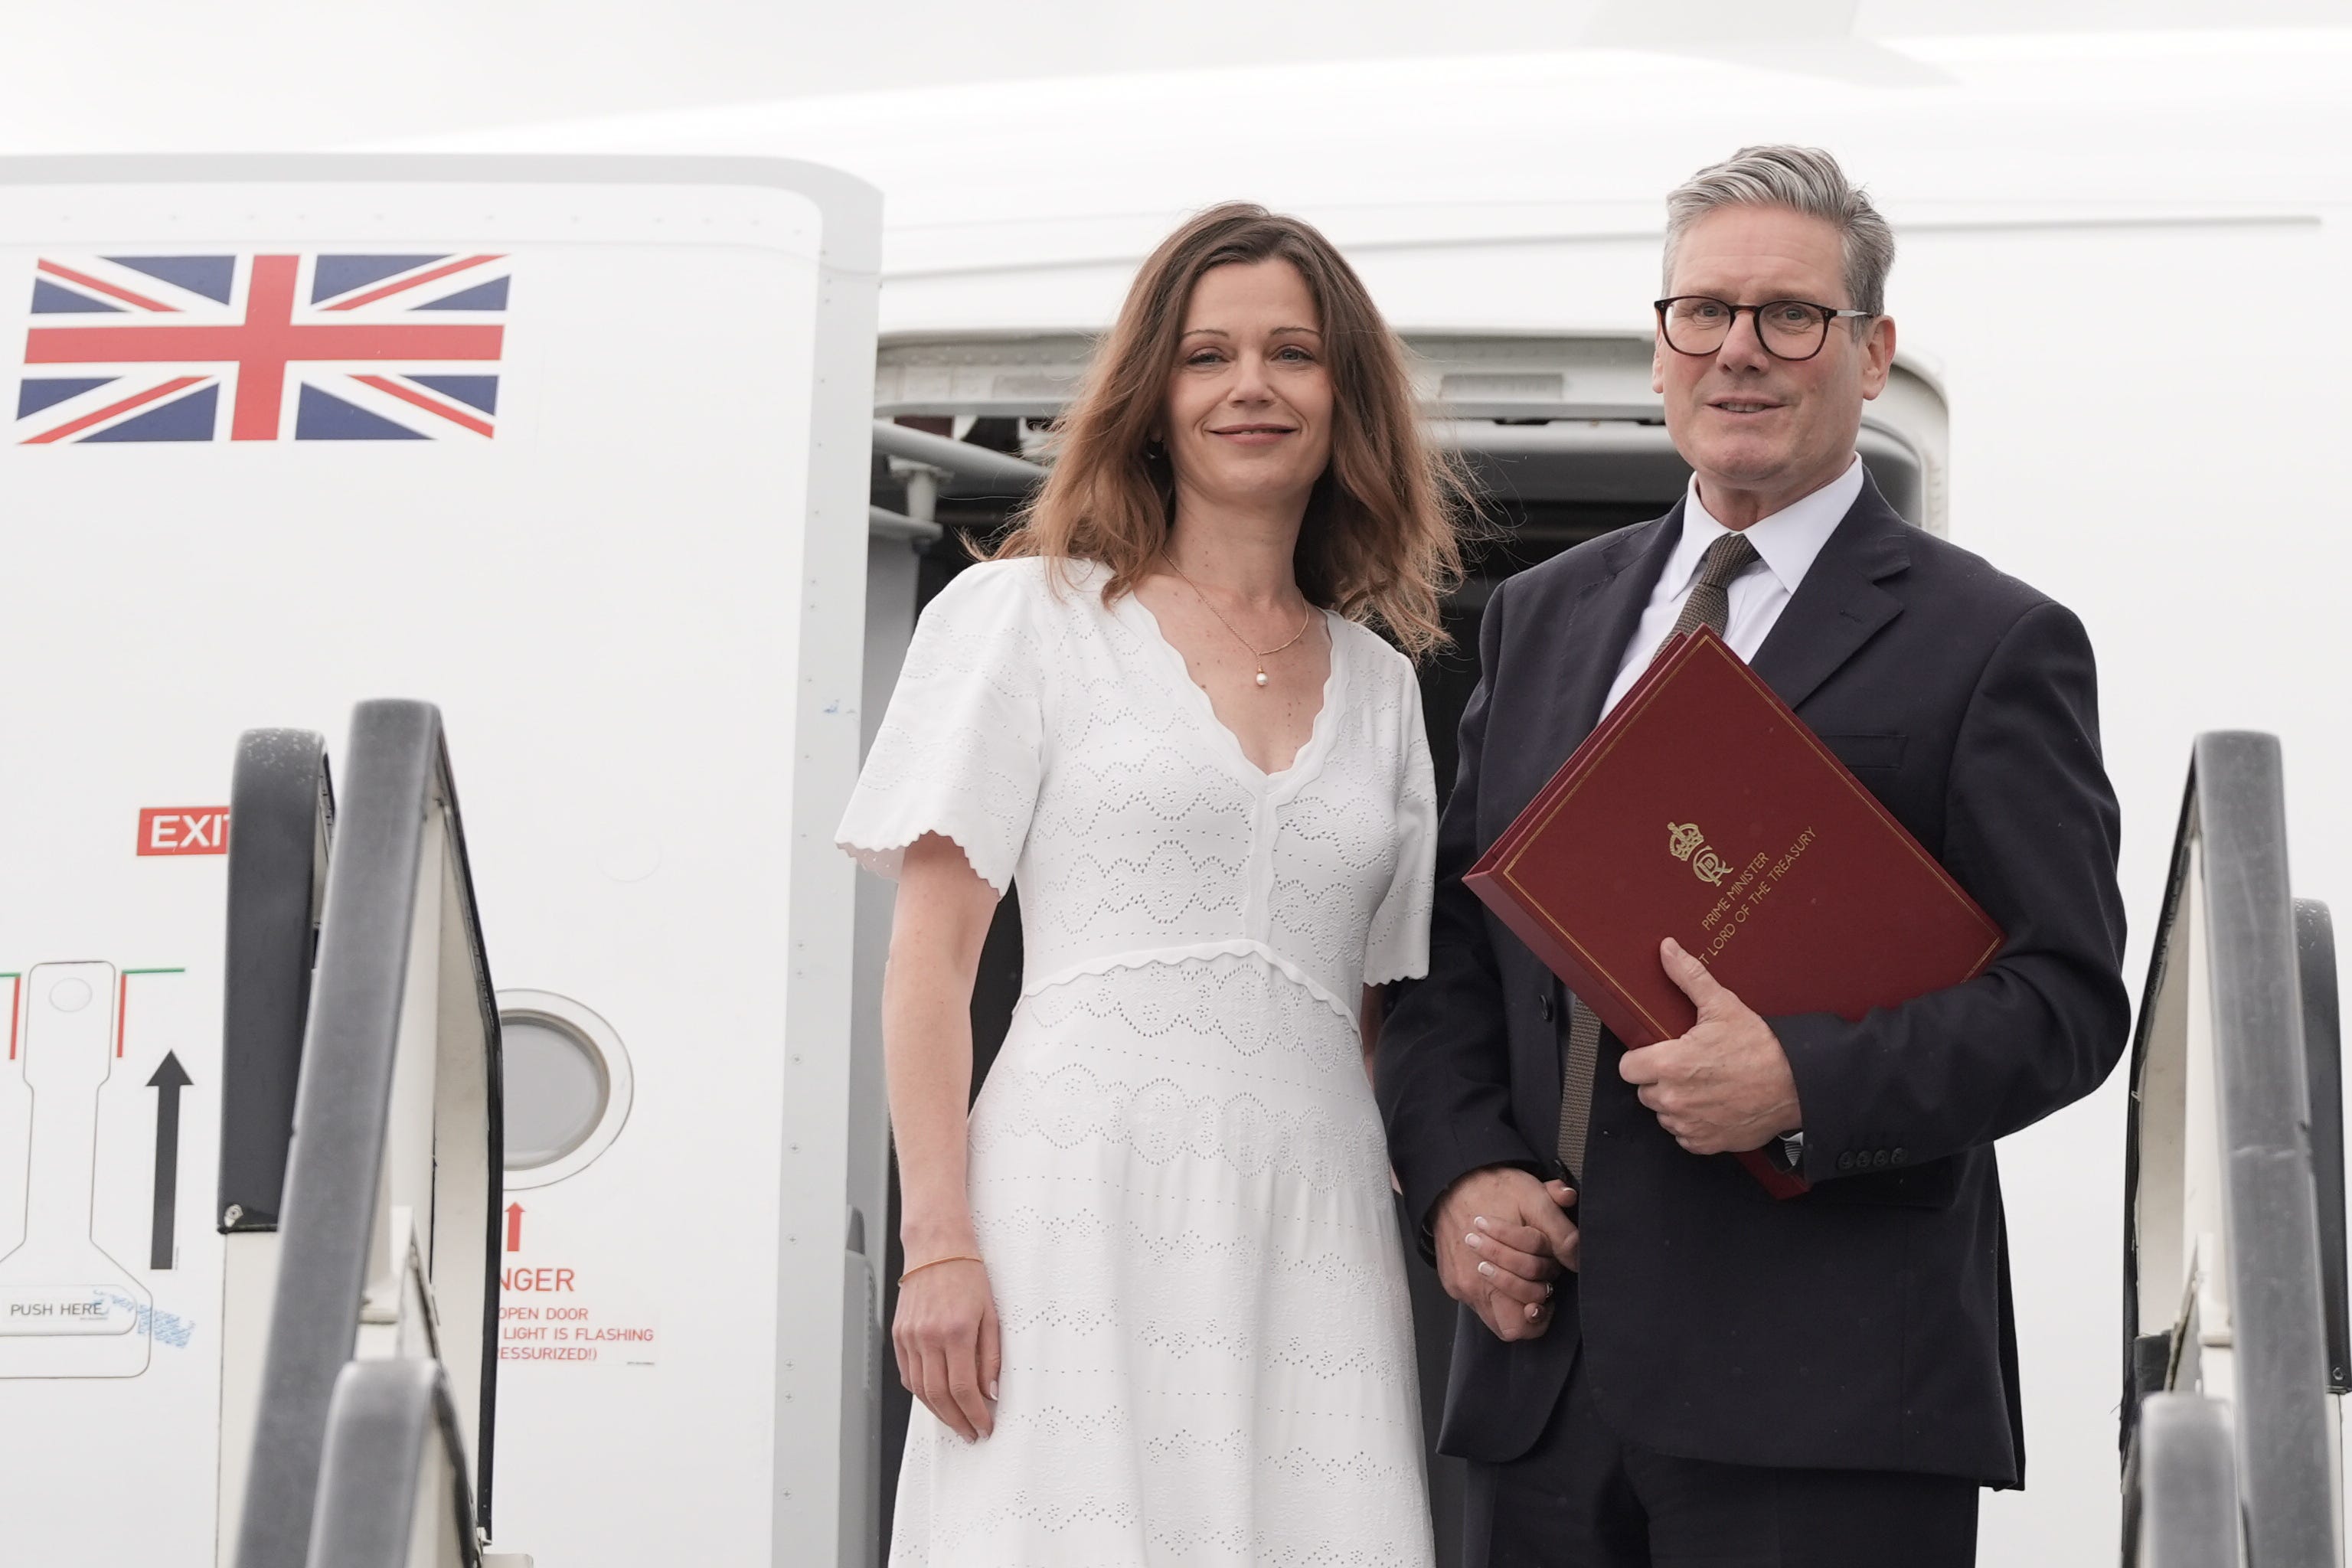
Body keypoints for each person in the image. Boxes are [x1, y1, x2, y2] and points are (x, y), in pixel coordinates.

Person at [1376, 145, 2130, 1566]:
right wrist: (1463, 1173)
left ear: (1871, 351)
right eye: (1703, 314)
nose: (1742, 351)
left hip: (1831, 1400)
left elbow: (2068, 1003)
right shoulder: (1543, 617)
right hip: (1545, 1390)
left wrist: (1801, 1082)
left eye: (1791, 316)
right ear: (1658, 351)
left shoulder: (1995, 643)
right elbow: (1451, 954)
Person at [837, 202, 1465, 1566]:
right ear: (1152, 395)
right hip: (1070, 1203)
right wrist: (937, 1241)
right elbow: (931, 963)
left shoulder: (1386, 693)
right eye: (1207, 355)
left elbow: (1382, 1026)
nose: (1252, 386)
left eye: (1293, 353)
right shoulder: (1023, 618)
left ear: (1342, 395)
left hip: (1312, 1224)